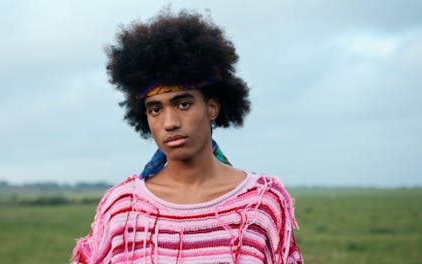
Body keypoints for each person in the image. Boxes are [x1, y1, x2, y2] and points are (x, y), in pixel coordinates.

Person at [72, 10, 302, 264]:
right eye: (155, 109)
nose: (169, 123)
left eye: (183, 104)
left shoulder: (261, 206)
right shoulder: (123, 210)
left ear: (212, 108)